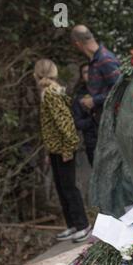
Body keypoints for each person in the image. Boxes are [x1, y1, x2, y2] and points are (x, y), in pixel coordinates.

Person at [34, 59, 91, 243]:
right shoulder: (46, 92)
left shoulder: (51, 93)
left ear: (37, 73)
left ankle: (83, 225)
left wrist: (68, 148)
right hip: (55, 148)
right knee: (61, 187)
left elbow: (65, 123)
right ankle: (72, 224)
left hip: (64, 147)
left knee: (69, 187)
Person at [71, 25, 120, 124]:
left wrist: (93, 100)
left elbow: (119, 90)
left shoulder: (105, 59)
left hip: (111, 122)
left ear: (78, 44)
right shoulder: (94, 60)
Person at [72, 63, 98, 166]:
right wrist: (93, 120)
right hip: (92, 143)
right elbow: (77, 123)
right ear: (82, 77)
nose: (89, 74)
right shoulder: (79, 97)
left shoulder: (106, 92)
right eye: (86, 72)